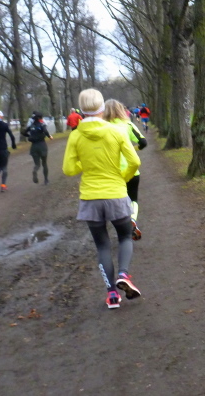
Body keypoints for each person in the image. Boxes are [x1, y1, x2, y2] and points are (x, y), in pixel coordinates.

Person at [63, 89, 142, 310]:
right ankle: (123, 274)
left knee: (102, 245)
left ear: (81, 110)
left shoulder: (76, 135)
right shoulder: (116, 131)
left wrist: (87, 164)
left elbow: (69, 169)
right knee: (125, 236)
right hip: (115, 193)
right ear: (102, 108)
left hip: (90, 198)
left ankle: (112, 295)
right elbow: (135, 162)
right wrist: (122, 177)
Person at [103, 99, 148, 241]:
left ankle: (121, 229)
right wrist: (132, 150)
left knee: (115, 202)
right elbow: (143, 142)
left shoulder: (102, 128)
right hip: (131, 170)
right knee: (133, 198)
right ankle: (132, 219)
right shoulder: (128, 125)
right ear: (121, 110)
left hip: (111, 173)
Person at [22, 111, 54, 185]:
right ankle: (46, 180)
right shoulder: (42, 125)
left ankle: (35, 170)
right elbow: (45, 131)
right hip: (42, 145)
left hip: (34, 147)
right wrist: (49, 136)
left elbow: (23, 132)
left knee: (37, 164)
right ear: (40, 118)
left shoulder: (31, 126)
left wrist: (29, 136)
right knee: (44, 163)